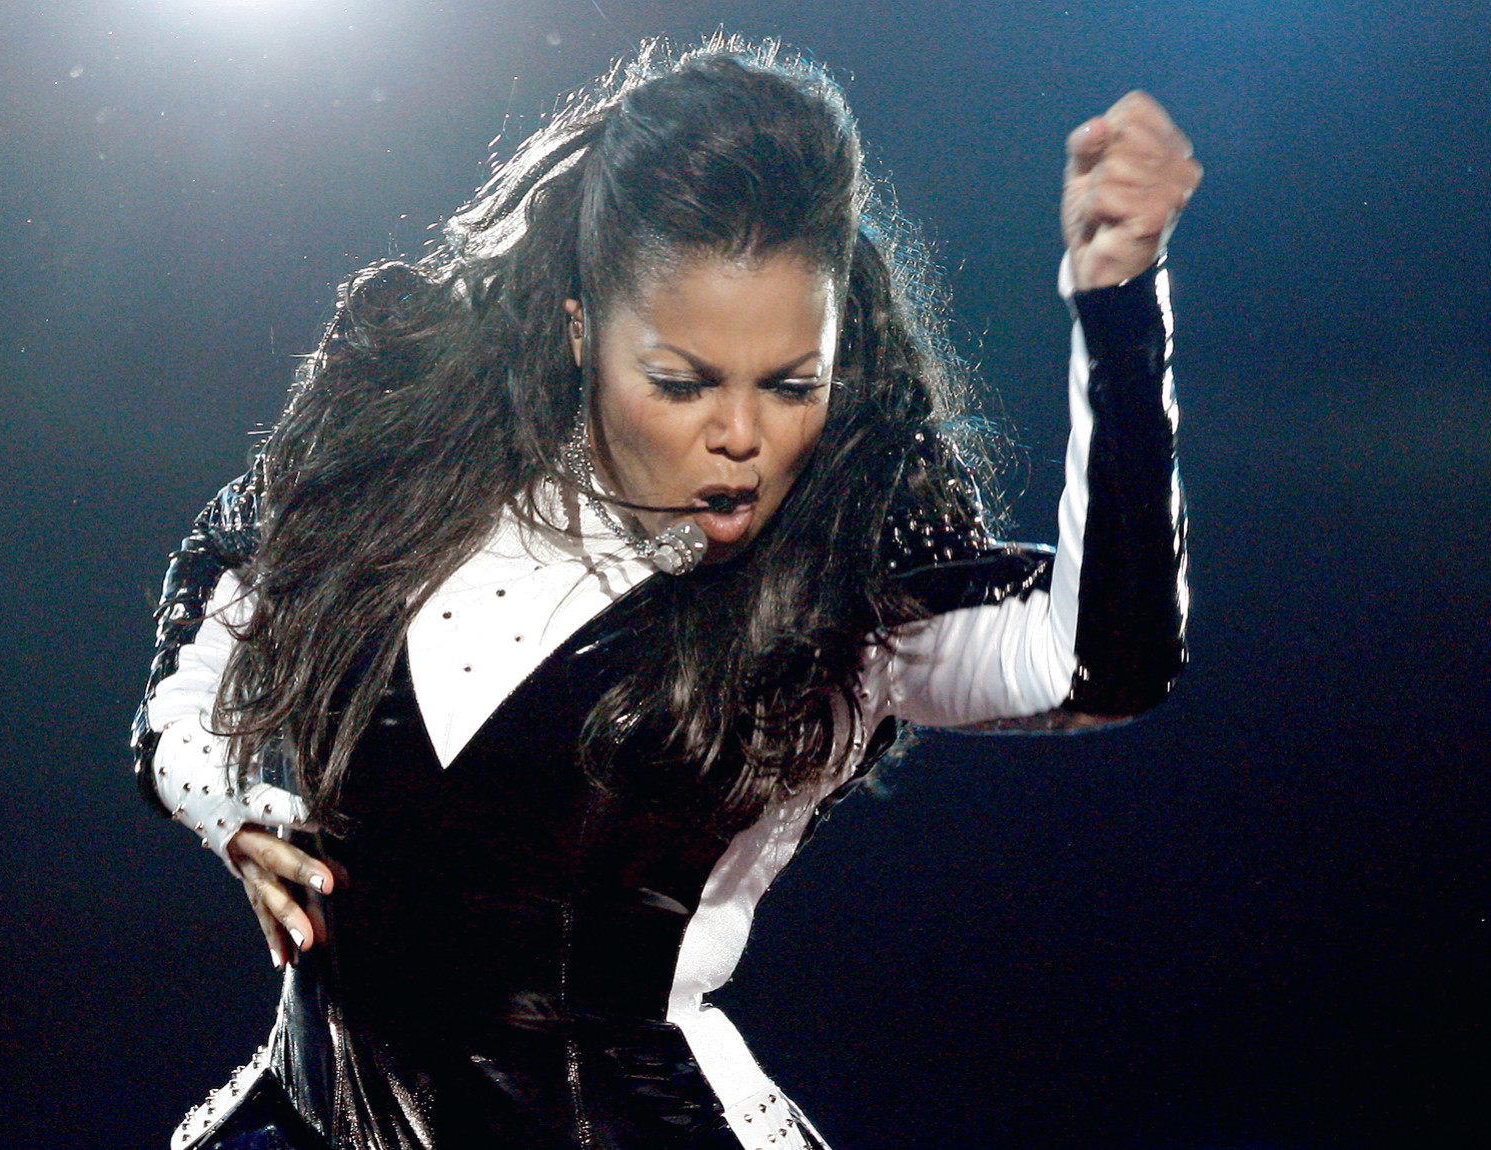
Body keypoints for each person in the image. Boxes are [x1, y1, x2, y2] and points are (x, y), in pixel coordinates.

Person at [132, 36, 1199, 1150]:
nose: (740, 435)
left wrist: (1120, 318)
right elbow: (223, 566)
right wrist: (223, 804)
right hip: (303, 1117)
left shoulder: (849, 582)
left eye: (792, 384)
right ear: (580, 330)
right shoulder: (413, 460)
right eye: (681, 382)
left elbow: (1106, 657)